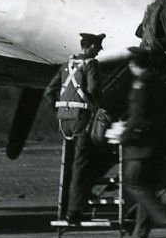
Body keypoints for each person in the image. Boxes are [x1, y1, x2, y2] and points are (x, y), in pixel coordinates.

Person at [44, 32, 115, 227]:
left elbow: (49, 92)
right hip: (82, 121)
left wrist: (59, 110)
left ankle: (79, 195)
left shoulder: (67, 65)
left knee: (74, 164)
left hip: (65, 122)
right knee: (82, 164)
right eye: (98, 46)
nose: (100, 50)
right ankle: (74, 211)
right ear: (90, 47)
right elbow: (93, 90)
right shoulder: (91, 64)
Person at [119, 47, 166, 238]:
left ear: (133, 65)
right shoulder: (159, 82)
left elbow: (139, 115)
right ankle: (140, 234)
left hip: (141, 146)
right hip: (159, 143)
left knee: (134, 183)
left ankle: (164, 215)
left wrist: (124, 135)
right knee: (148, 186)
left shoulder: (141, 84)